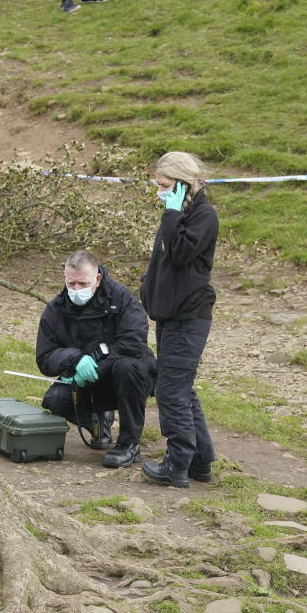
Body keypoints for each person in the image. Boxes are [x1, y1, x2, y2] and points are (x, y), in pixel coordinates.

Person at [139, 151, 218, 489]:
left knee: (171, 391)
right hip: (171, 316)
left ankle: (177, 465)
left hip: (188, 318)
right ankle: (199, 461)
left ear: (184, 184)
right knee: (182, 390)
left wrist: (171, 213)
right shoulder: (179, 214)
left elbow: (182, 252)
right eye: (159, 186)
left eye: (166, 186)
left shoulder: (203, 216)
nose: (161, 192)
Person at [36, 250, 156, 467]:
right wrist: (74, 359)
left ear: (97, 278)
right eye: (71, 284)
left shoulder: (122, 299)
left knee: (129, 367)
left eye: (82, 284)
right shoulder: (55, 309)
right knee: (55, 399)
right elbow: (45, 356)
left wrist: (96, 365)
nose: (76, 290)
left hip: (122, 376)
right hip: (82, 379)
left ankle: (129, 444)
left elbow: (133, 343)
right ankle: (98, 422)